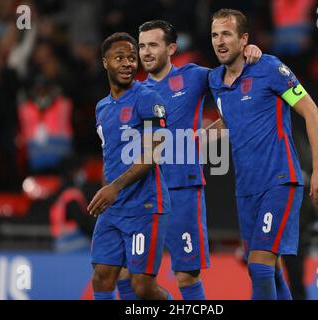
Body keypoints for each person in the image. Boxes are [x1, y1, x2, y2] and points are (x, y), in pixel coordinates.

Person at [115, 19, 262, 300]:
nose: (146, 52)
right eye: (142, 46)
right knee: (130, 276)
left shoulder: (194, 76)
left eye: (153, 45)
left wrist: (249, 53)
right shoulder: (131, 92)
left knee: (186, 275)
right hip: (143, 194)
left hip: (182, 189)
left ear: (171, 48)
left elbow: (234, 77)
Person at [207, 9, 318, 300]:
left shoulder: (270, 69)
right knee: (267, 270)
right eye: (215, 35)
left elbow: (313, 114)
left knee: (260, 267)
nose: (219, 41)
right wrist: (195, 141)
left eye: (227, 34)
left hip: (279, 181)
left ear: (244, 39)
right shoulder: (215, 81)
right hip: (246, 190)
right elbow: (233, 117)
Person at [87, 32, 172, 300]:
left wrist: (114, 188)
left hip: (144, 206)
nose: (127, 63)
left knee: (142, 287)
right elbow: (109, 156)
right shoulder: (102, 108)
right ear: (104, 62)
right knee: (102, 277)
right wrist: (106, 192)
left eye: (132, 58)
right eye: (119, 57)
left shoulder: (149, 99)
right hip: (113, 208)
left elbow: (152, 155)